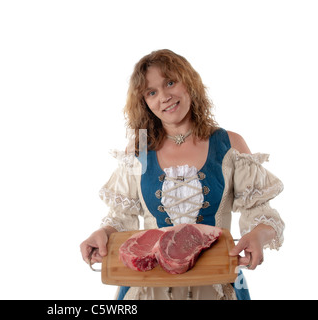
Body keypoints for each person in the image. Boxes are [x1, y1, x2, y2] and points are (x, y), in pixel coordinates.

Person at [80, 49, 284, 300]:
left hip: (215, 283)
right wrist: (104, 233)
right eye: (151, 92)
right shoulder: (139, 149)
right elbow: (122, 217)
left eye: (170, 82)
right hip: (148, 288)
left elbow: (262, 215)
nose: (164, 97)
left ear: (189, 82)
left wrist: (257, 236)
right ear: (144, 101)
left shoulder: (229, 144)